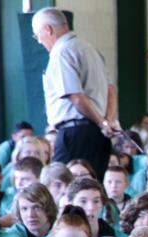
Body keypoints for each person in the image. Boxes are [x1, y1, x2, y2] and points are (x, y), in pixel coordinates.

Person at [32, 9, 119, 174]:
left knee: (62, 185)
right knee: (93, 187)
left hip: (75, 133)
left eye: (37, 36)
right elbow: (111, 90)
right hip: (99, 135)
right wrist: (107, 121)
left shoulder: (62, 52)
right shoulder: (91, 50)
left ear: (48, 30)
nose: (39, 41)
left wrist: (103, 123)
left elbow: (76, 97)